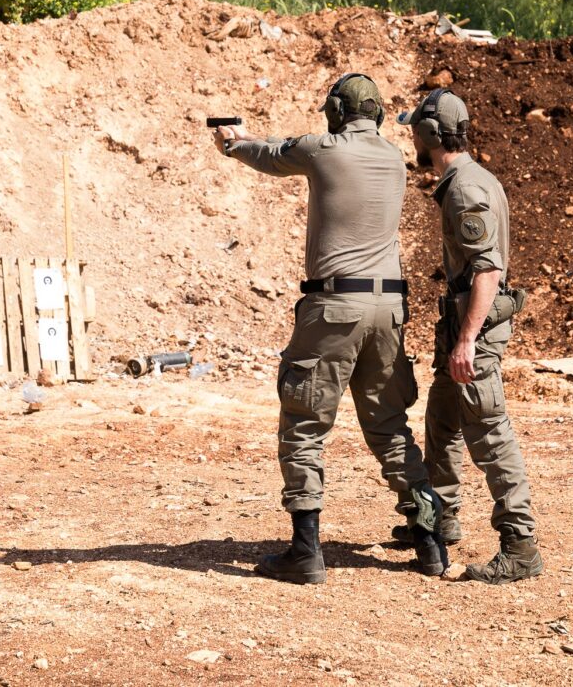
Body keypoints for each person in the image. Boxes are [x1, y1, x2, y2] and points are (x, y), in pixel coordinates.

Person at [212, 73, 448, 584]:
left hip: (335, 305)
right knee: (388, 426)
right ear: (380, 114)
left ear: (336, 112)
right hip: (389, 307)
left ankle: (306, 551)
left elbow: (270, 155)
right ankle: (430, 545)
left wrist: (235, 144)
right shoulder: (393, 158)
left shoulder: (322, 149)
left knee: (303, 423)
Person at [397, 89, 543, 584]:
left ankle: (519, 545)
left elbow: (487, 271)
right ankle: (443, 516)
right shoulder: (463, 179)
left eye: (416, 128)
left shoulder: (465, 189)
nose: (412, 136)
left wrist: (466, 341)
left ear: (433, 135)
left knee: (489, 432)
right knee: (442, 416)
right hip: (462, 325)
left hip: (473, 330)